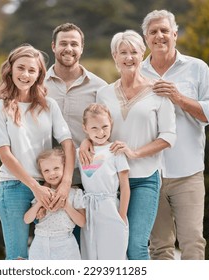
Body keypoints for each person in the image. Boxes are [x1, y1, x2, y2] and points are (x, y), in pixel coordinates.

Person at [79, 30, 176, 260]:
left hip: (143, 179)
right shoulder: (103, 93)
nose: (129, 57)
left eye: (134, 51)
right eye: (123, 52)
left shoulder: (158, 92)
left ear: (143, 54)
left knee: (135, 245)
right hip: (108, 183)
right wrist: (85, 141)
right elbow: (95, 125)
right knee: (112, 247)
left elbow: (169, 136)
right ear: (115, 56)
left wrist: (134, 152)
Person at [140, 10, 209, 260]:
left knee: (193, 243)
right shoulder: (137, 72)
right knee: (159, 247)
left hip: (188, 173)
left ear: (175, 35)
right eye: (153, 32)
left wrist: (179, 99)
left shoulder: (197, 68)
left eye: (165, 30)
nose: (159, 36)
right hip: (150, 174)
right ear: (146, 38)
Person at [0, 44, 75, 260]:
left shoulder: (49, 106)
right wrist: (35, 188)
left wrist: (64, 184)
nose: (25, 74)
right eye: (21, 68)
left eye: (31, 70)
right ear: (10, 70)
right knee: (18, 259)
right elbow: (5, 155)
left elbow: (68, 143)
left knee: (54, 255)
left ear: (39, 75)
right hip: (14, 188)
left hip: (50, 188)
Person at [45, 22, 108, 244]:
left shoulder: (100, 88)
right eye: (63, 43)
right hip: (47, 182)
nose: (68, 48)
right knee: (52, 244)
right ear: (53, 46)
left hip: (87, 180)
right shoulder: (38, 85)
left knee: (85, 247)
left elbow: (107, 129)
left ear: (82, 48)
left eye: (74, 44)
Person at [78, 103, 130, 260]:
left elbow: (125, 186)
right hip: (89, 211)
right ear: (85, 128)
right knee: (91, 255)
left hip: (110, 208)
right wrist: (83, 143)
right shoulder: (81, 152)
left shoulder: (115, 151)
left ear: (111, 124)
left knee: (113, 256)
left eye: (105, 127)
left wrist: (121, 216)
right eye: (94, 128)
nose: (100, 133)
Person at [24, 148, 86, 260]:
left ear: (65, 168)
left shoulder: (75, 193)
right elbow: (27, 219)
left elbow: (82, 222)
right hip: (40, 243)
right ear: (41, 173)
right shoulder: (41, 193)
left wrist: (66, 205)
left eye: (56, 168)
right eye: (46, 170)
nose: (52, 173)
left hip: (65, 244)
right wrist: (39, 204)